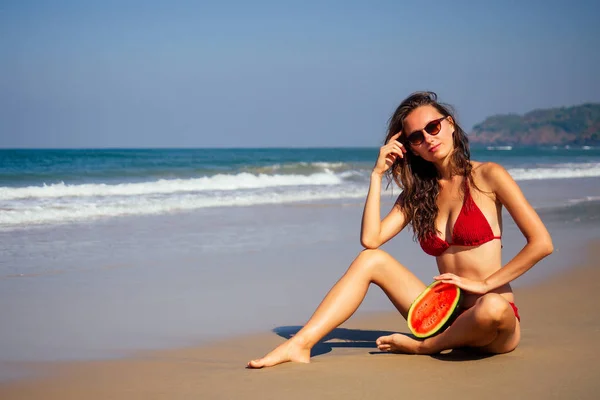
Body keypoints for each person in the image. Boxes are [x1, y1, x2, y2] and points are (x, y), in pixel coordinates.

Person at [247, 91, 553, 368]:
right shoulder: (419, 195)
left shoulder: (488, 176)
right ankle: (299, 345)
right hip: (440, 315)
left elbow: (541, 243)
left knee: (493, 308)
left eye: (433, 127)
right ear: (410, 149)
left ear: (450, 125)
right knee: (371, 260)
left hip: (492, 324)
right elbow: (371, 240)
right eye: (416, 137)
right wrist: (377, 175)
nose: (428, 138)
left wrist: (486, 284)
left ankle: (425, 347)